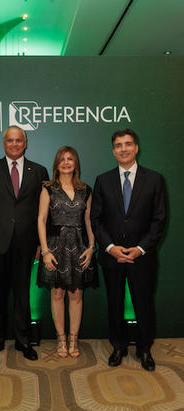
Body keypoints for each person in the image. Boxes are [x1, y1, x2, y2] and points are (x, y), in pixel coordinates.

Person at [91, 129, 166, 371]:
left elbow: (159, 220)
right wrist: (111, 248)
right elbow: (96, 220)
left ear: (136, 148)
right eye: (118, 145)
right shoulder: (103, 180)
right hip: (112, 256)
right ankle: (119, 346)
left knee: (143, 303)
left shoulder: (154, 179)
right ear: (113, 151)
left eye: (128, 144)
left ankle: (144, 349)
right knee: (114, 303)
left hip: (141, 257)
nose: (123, 149)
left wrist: (141, 248)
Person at [0, 125, 49, 361]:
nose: (14, 144)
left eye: (18, 140)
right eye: (9, 140)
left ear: (25, 143)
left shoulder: (39, 171)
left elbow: (44, 212)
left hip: (26, 244)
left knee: (23, 295)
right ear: (3, 143)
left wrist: (40, 244)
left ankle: (23, 341)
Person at [37, 146, 97, 358]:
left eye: (70, 158)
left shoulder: (85, 190)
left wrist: (91, 248)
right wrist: (44, 251)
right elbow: (41, 220)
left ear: (75, 163)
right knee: (57, 293)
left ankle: (74, 339)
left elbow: (89, 221)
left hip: (80, 247)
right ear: (56, 164)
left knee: (76, 294)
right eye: (62, 159)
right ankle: (60, 339)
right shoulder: (48, 188)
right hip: (55, 247)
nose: (66, 162)